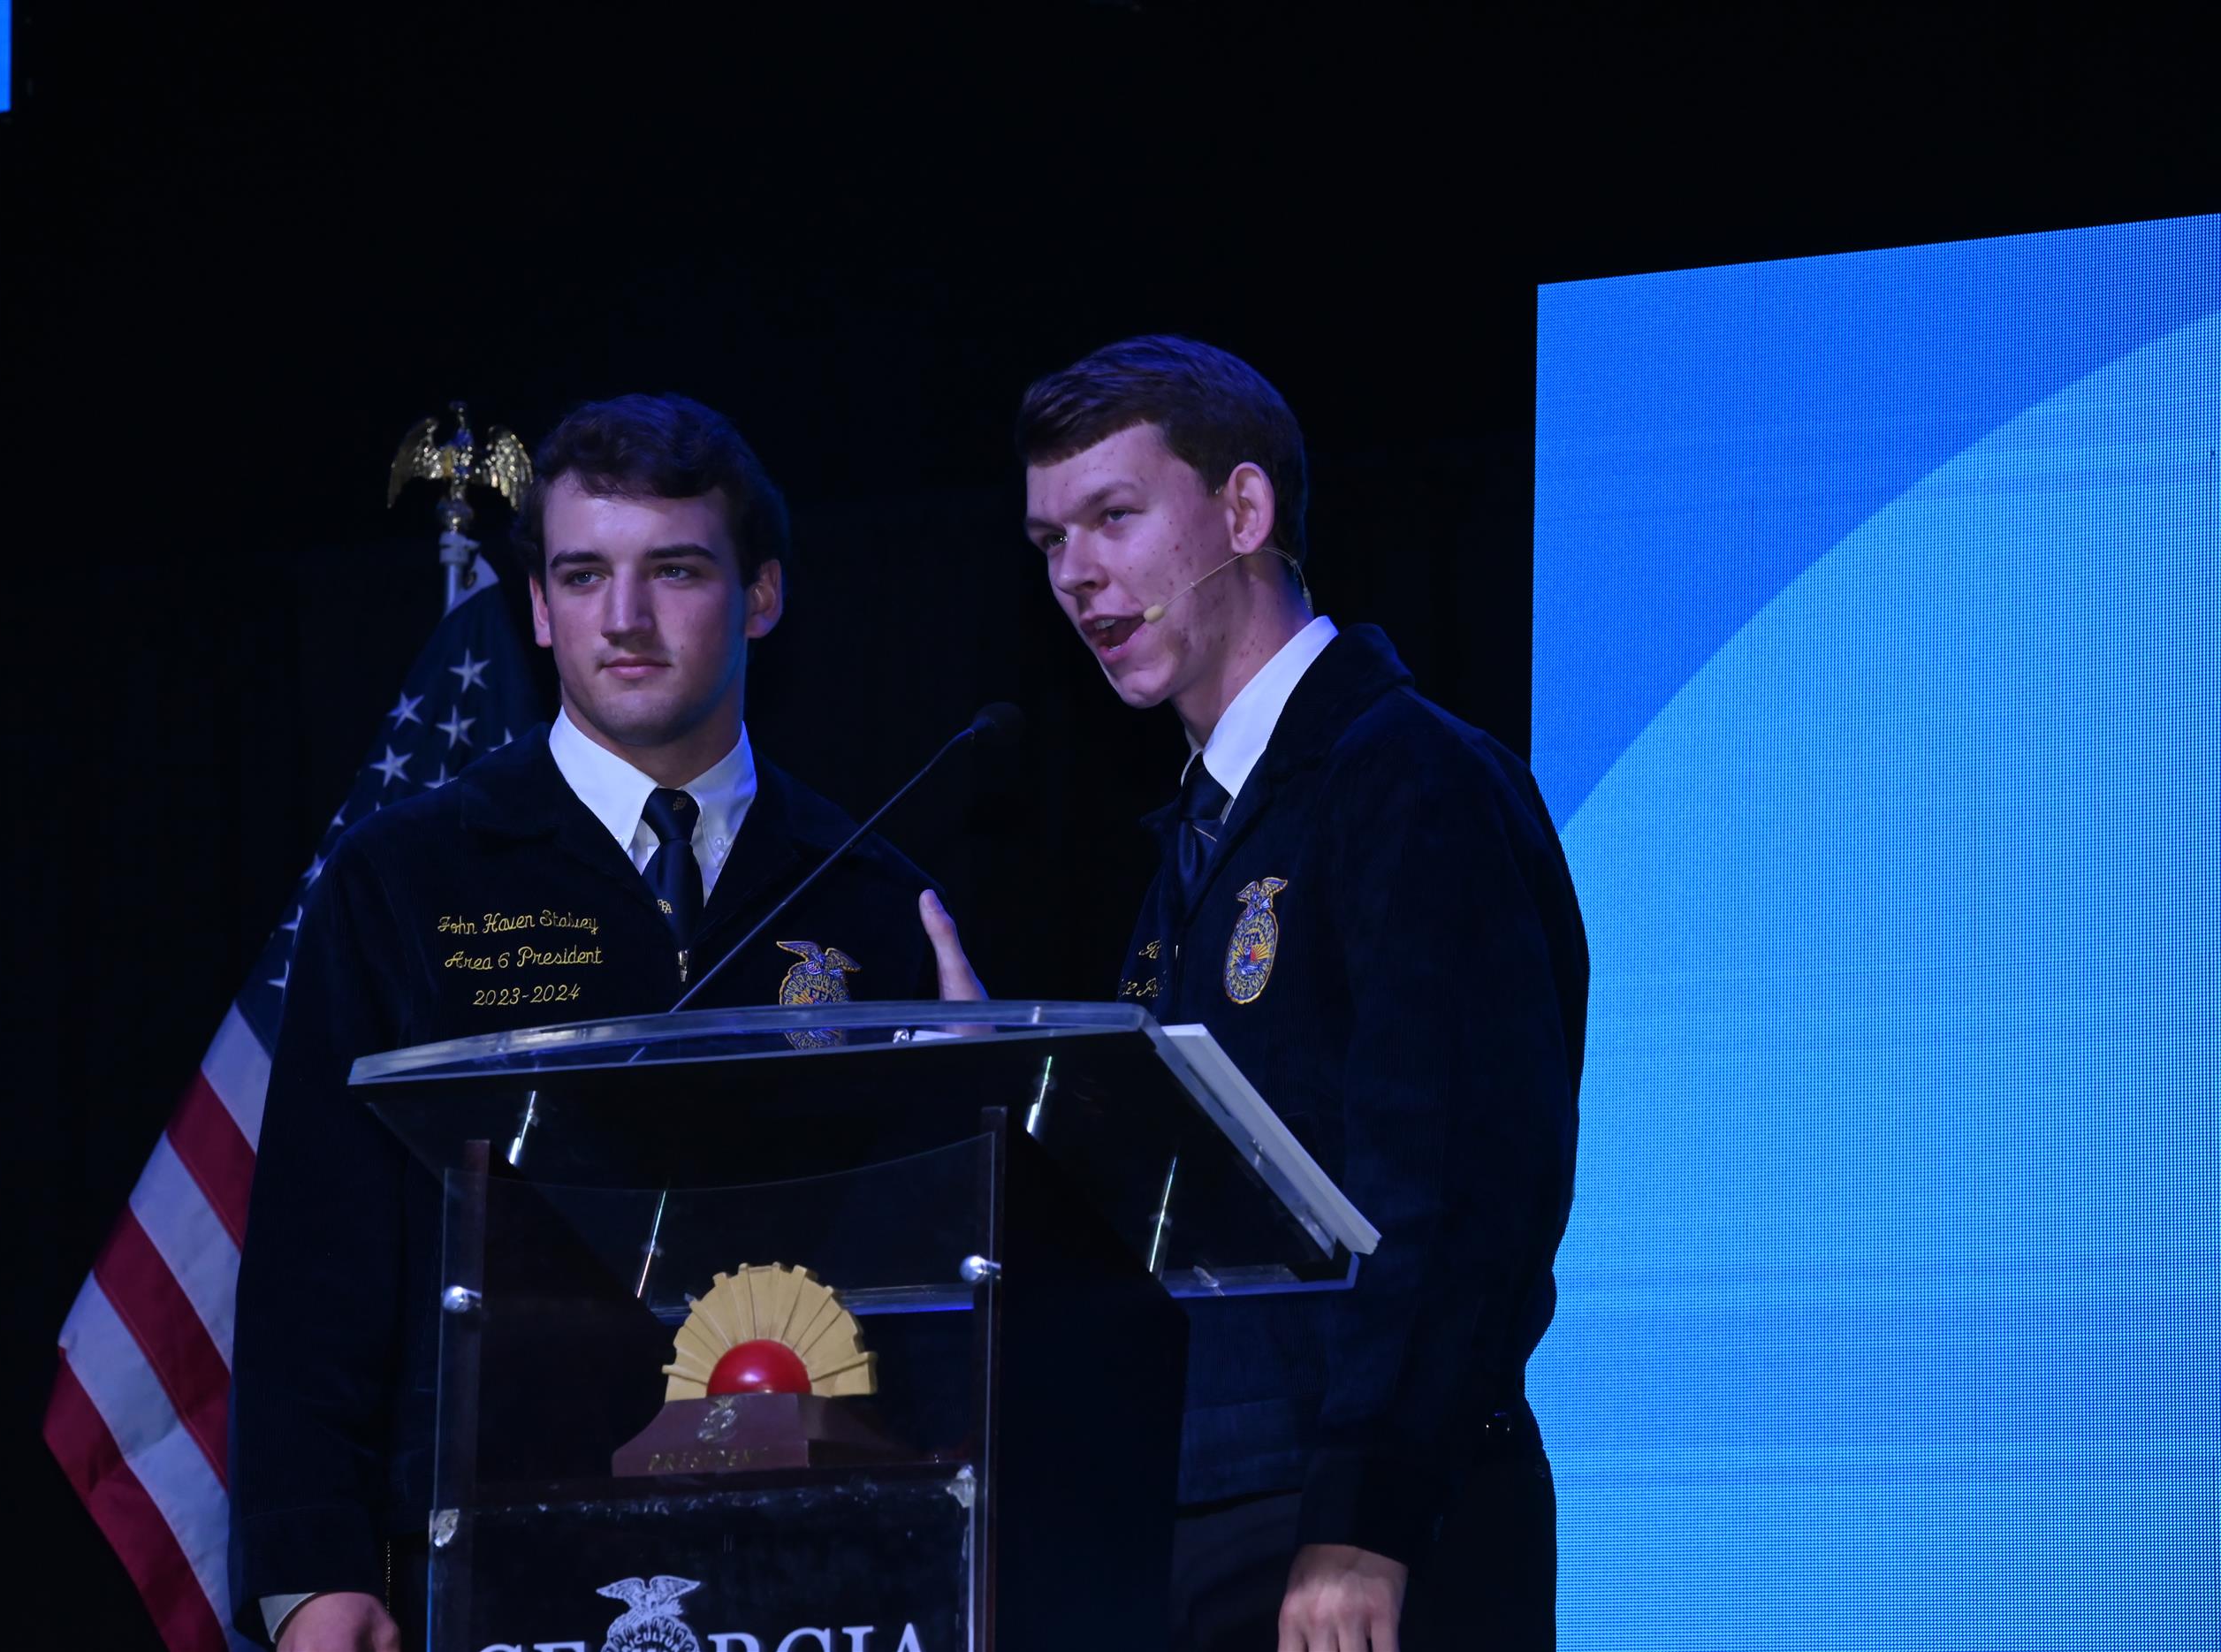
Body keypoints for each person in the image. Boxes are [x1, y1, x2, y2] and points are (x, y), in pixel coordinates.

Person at [230, 392, 968, 1651]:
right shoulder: (409, 877)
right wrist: (310, 1568)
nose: (623, 618)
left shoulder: (872, 890)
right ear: (537, 606)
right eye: (582, 575)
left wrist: (979, 1112)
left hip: (821, 1569)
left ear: (762, 594)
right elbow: (317, 1257)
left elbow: (929, 1272)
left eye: (674, 570)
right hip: (496, 1551)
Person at [1007, 337, 1587, 1650]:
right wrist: (1007, 1087)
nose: (1076, 573)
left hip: (1365, 1529)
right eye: (1049, 541)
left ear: (1245, 510)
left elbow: (1456, 1186)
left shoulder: (1408, 778)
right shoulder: (1204, 829)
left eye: (1113, 516)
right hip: (1203, 1512)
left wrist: (1365, 1518)